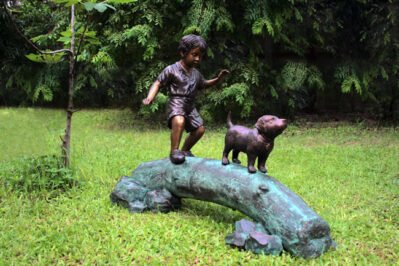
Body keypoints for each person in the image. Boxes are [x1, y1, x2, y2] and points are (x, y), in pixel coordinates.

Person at [143, 34, 229, 164]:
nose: (197, 58)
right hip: (176, 102)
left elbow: (204, 84)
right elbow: (158, 83)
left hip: (189, 105)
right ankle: (174, 151)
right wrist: (150, 97)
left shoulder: (196, 73)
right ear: (183, 52)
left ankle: (185, 150)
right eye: (194, 54)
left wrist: (218, 79)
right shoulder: (171, 69)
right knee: (179, 121)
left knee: (199, 129)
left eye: (200, 56)